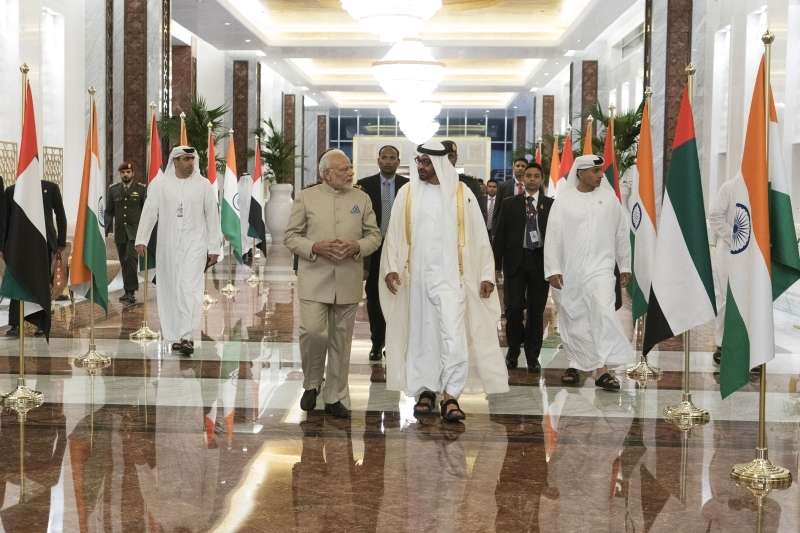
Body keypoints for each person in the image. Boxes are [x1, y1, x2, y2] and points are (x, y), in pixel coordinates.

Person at [379, 141, 509, 423]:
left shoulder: (462, 194)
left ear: (440, 163)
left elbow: (479, 236)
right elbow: (394, 234)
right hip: (417, 280)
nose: (421, 167)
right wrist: (390, 268)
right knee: (422, 337)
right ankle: (426, 391)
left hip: (453, 279)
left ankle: (451, 395)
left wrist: (486, 274)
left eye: (426, 163)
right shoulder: (407, 193)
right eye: (419, 162)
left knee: (453, 336)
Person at [285, 149, 381, 419]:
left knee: (341, 340)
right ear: (326, 174)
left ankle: (335, 396)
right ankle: (312, 382)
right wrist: (314, 247)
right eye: (343, 169)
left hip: (348, 279)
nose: (350, 173)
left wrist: (356, 246)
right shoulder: (306, 197)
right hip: (314, 278)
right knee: (313, 332)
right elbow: (291, 237)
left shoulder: (361, 199)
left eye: (350, 168)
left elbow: (374, 236)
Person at [543, 155, 632, 391]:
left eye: (600, 170)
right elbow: (553, 236)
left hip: (602, 268)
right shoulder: (564, 200)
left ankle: (602, 369)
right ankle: (575, 363)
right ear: (580, 173)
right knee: (574, 317)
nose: (601, 175)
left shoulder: (609, 199)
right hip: (570, 270)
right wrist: (553, 269)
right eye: (595, 171)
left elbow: (621, 232)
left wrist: (625, 265)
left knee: (603, 312)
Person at [135, 146, 222, 356]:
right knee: (170, 289)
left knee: (188, 288)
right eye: (185, 159)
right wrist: (142, 239)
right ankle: (174, 335)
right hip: (168, 246)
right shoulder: (160, 184)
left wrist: (214, 247)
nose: (190, 162)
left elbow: (212, 217)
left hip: (195, 245)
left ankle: (187, 336)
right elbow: (149, 211)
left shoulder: (203, 185)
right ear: (174, 161)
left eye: (192, 158)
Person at [493, 162, 553, 372]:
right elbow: (499, 235)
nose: (532, 179)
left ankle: (532, 356)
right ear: (522, 179)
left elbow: (558, 238)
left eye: (536, 176)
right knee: (513, 309)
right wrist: (496, 265)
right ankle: (513, 352)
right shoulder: (510, 204)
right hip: (515, 263)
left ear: (541, 179)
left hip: (540, 264)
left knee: (536, 312)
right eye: (528, 175)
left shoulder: (551, 205)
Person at [357, 145, 409, 361]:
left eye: (392, 158)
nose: (388, 161)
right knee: (374, 296)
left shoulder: (408, 187)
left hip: (399, 250)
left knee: (398, 294)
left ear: (398, 162)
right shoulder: (364, 186)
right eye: (384, 157)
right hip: (374, 250)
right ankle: (377, 342)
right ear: (378, 161)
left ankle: (394, 342)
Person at [3, 178, 66, 337]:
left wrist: (61, 242)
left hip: (44, 243)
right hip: (18, 244)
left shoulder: (50, 188)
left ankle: (41, 323)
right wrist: (2, 246)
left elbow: (60, 214)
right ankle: (15, 324)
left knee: (41, 282)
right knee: (17, 282)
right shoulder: (11, 191)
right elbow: (4, 219)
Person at [105, 161, 147, 304]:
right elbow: (109, 212)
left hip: (135, 233)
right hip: (120, 233)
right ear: (120, 174)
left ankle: (131, 291)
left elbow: (146, 211)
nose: (125, 175)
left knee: (131, 259)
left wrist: (146, 232)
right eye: (123, 172)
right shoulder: (113, 190)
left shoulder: (141, 189)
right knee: (124, 261)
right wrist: (105, 230)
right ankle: (127, 290)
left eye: (128, 172)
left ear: (133, 173)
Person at [708, 178, 736, 365]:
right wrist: (737, 238)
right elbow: (715, 216)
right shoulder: (729, 187)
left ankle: (747, 346)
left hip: (752, 256)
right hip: (728, 250)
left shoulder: (761, 190)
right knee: (724, 298)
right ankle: (721, 344)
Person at [441, 139, 487, 220]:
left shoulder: (470, 184)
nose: (447, 161)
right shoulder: (430, 183)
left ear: (456, 158)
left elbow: (480, 216)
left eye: (450, 156)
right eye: (444, 157)